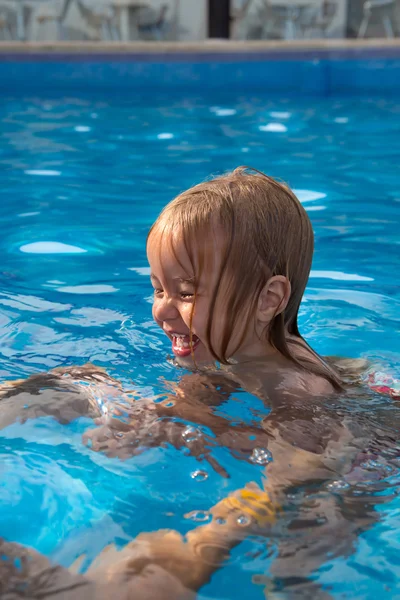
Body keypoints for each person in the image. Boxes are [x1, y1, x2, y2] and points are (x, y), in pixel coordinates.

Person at [1, 168, 399, 598]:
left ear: (268, 299)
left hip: (366, 454)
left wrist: (210, 539)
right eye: (158, 289)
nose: (162, 311)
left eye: (186, 293)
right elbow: (193, 404)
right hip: (336, 395)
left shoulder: (296, 392)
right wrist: (147, 421)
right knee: (82, 379)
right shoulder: (227, 350)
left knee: (293, 547)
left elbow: (292, 480)